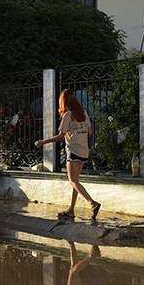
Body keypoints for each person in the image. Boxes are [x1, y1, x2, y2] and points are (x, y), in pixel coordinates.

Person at [35, 89, 101, 220]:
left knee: (72, 180)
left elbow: (61, 136)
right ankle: (71, 210)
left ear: (63, 101)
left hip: (74, 151)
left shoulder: (68, 115)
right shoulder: (84, 113)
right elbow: (90, 132)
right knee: (75, 181)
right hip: (84, 151)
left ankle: (92, 203)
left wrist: (43, 142)